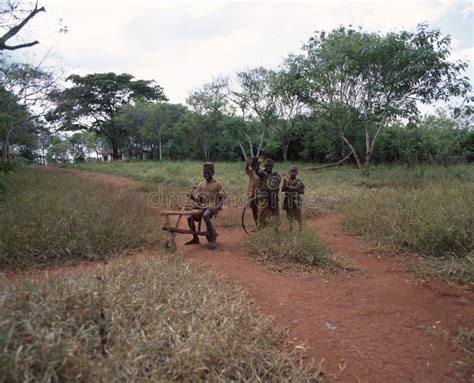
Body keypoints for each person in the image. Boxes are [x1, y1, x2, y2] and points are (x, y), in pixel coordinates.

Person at [185, 162, 225, 250]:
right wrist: (192, 197)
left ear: (213, 173)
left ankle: (212, 240)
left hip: (212, 205)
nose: (206, 175)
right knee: (189, 218)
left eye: (208, 173)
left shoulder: (218, 184)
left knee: (206, 215)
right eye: (205, 173)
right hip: (201, 206)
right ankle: (195, 238)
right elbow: (198, 200)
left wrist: (218, 206)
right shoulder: (201, 184)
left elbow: (222, 197)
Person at [256, 158, 281, 230]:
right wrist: (258, 163)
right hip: (264, 197)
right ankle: (260, 227)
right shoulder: (263, 174)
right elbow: (256, 171)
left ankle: (275, 228)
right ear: (264, 166)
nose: (268, 168)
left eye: (269, 166)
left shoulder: (276, 175)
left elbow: (277, 184)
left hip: (273, 197)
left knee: (275, 213)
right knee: (262, 213)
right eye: (266, 166)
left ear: (272, 166)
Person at [282, 165, 305, 231]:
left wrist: (293, 188)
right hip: (288, 200)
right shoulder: (287, 181)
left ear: (297, 173)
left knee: (298, 215)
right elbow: (283, 189)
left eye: (295, 172)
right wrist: (284, 181)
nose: (293, 173)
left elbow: (302, 191)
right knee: (289, 214)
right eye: (291, 171)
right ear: (289, 172)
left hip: (296, 200)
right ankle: (290, 228)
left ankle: (300, 228)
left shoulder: (299, 181)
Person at [244, 156, 262, 225]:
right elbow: (247, 170)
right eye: (252, 163)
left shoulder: (261, 170)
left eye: (254, 163)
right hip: (252, 193)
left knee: (260, 209)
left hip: (260, 193)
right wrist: (247, 164)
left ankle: (261, 223)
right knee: (254, 208)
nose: (252, 165)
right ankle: (257, 224)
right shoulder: (251, 170)